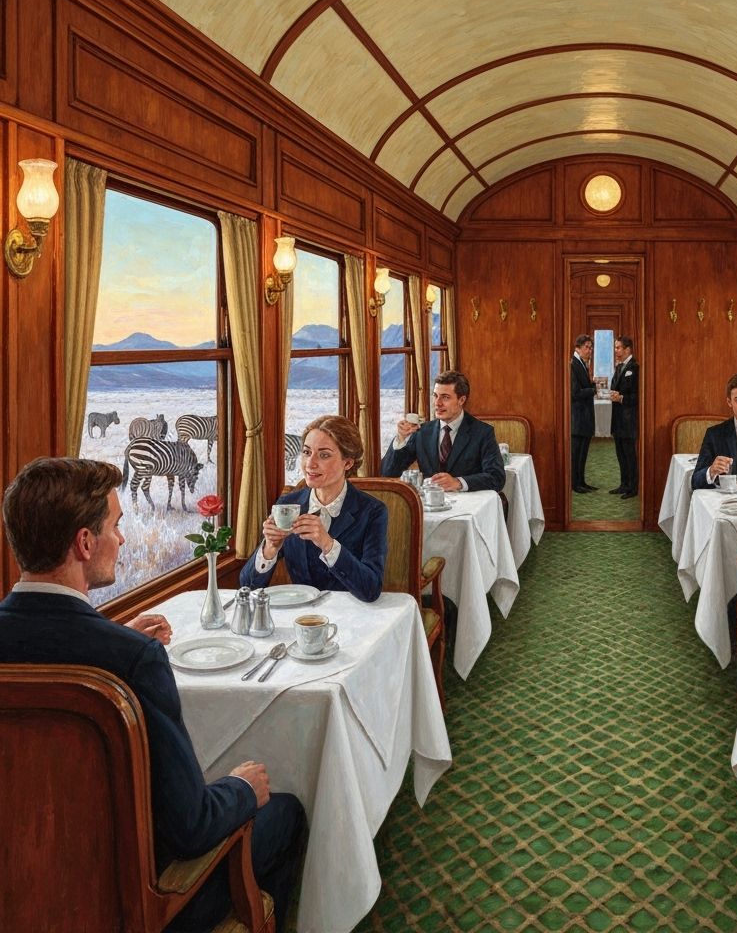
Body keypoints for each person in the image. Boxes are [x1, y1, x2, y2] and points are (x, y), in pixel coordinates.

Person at [0, 457, 306, 932]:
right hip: (136, 908)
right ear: (84, 543)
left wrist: (112, 634)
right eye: (116, 526)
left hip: (18, 898)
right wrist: (243, 786)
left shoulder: (116, 650)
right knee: (285, 812)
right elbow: (191, 826)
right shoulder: (134, 660)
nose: (121, 539)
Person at [240, 415, 386, 601]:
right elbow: (247, 586)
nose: (310, 463)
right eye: (307, 452)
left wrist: (327, 544)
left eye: (324, 455)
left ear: (347, 463)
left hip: (352, 616)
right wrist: (270, 548)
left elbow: (371, 590)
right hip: (299, 615)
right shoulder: (287, 505)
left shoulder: (372, 511)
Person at [381, 370, 506, 493]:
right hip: (430, 506)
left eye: (445, 397)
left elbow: (497, 477)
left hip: (469, 506)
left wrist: (458, 482)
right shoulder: (422, 432)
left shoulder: (483, 432)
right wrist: (401, 438)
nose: (437, 403)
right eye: (435, 396)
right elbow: (389, 473)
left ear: (461, 400)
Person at [609, 336, 640, 499]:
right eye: (615, 348)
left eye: (618, 348)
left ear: (628, 349)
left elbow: (638, 397)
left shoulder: (635, 368)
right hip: (618, 420)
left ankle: (633, 488)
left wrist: (621, 398)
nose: (616, 351)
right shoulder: (619, 367)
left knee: (629, 455)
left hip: (629, 421)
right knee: (620, 454)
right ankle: (623, 484)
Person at [570, 334, 598, 493]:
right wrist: (594, 389)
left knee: (583, 453)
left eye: (591, 347)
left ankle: (581, 481)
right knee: (577, 454)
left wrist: (592, 384)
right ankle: (575, 484)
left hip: (584, 418)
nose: (590, 350)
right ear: (577, 348)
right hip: (578, 418)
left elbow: (582, 387)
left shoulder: (582, 363)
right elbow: (575, 393)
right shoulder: (573, 364)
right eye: (587, 347)